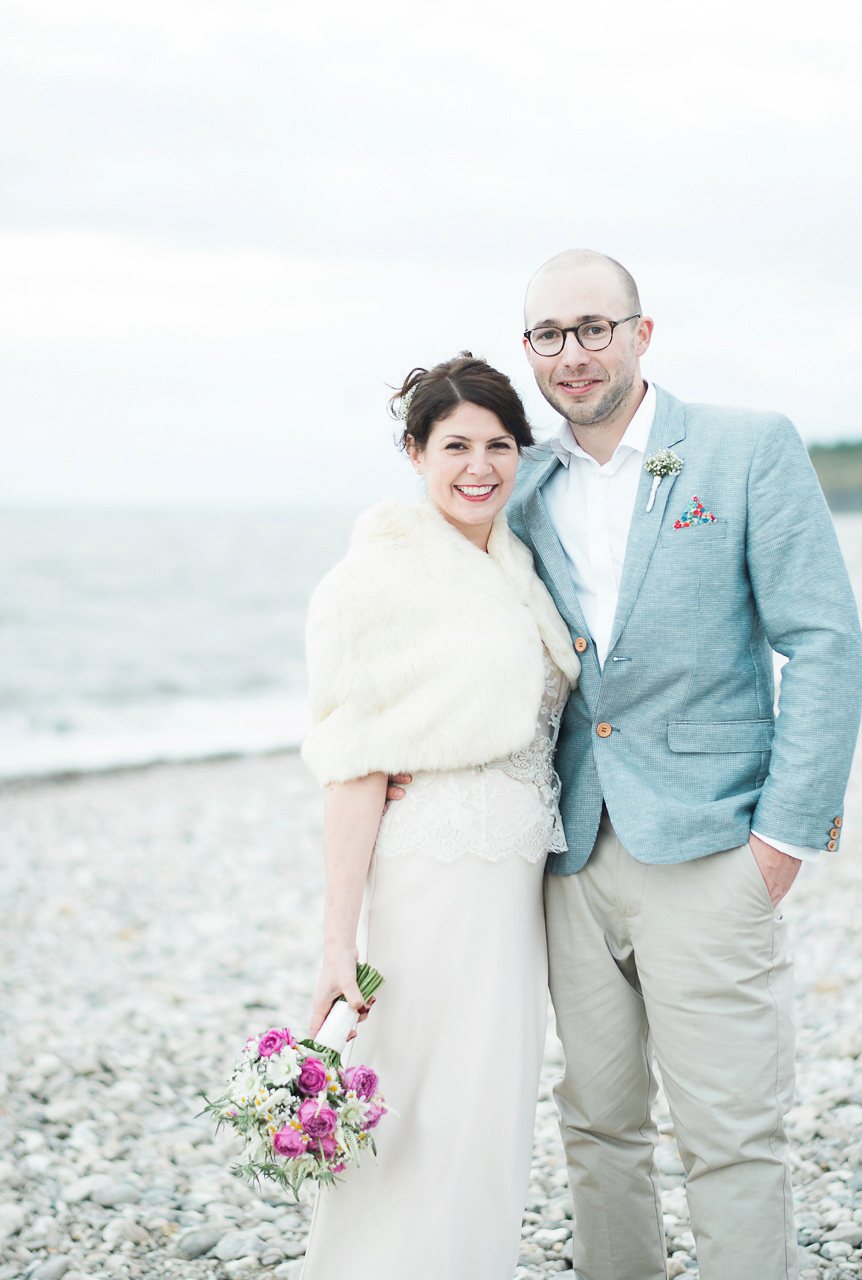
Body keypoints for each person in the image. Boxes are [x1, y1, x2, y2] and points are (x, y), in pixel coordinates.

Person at [502, 249, 862, 1280]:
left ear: (642, 333)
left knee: (734, 1133)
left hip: (716, 845)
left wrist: (787, 836)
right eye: (547, 334)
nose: (572, 354)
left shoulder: (746, 449)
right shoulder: (520, 479)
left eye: (593, 327)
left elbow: (826, 640)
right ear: (528, 349)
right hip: (573, 854)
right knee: (596, 1126)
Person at [296, 354, 580, 1280]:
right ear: (415, 454)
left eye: (501, 444)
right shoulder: (375, 579)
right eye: (455, 444)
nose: (480, 465)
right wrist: (338, 945)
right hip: (434, 876)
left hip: (514, 884)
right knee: (416, 1101)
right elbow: (352, 767)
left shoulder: (519, 564)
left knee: (489, 1107)